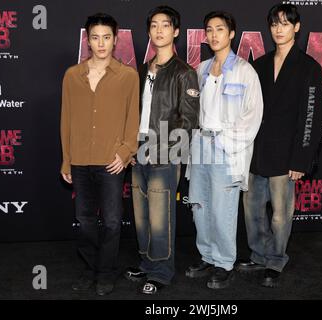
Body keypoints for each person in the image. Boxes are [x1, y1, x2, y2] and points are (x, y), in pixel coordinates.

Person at [236, 3, 322, 288]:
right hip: (255, 152)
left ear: (296, 27)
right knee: (251, 210)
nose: (279, 28)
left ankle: (276, 260)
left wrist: (301, 160)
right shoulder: (258, 65)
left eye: (285, 23)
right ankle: (259, 254)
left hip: (286, 155)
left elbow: (312, 116)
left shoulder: (309, 67)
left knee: (280, 215)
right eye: (275, 23)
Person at [60, 13, 139, 296]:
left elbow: (134, 120)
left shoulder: (128, 76)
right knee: (84, 220)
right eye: (95, 37)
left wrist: (125, 152)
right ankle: (91, 268)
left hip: (112, 161)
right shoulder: (72, 75)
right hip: (80, 160)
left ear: (116, 40)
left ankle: (106, 272)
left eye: (107, 37)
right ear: (88, 40)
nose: (101, 43)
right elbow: (66, 120)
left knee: (113, 220)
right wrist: (66, 158)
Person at [123, 5, 200, 295]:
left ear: (175, 31)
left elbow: (190, 119)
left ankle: (162, 272)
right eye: (154, 25)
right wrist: (131, 146)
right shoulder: (141, 70)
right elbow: (132, 113)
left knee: (160, 217)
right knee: (141, 215)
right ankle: (146, 264)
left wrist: (163, 150)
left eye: (165, 25)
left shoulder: (184, 73)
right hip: (138, 148)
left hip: (164, 152)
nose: (159, 30)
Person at [186, 11, 264, 289]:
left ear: (231, 34)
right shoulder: (201, 69)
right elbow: (193, 111)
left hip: (227, 149)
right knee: (199, 205)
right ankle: (207, 255)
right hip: (199, 146)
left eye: (220, 29)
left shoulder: (245, 71)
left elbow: (252, 115)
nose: (214, 34)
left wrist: (223, 142)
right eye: (209, 30)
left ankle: (224, 262)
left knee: (223, 209)